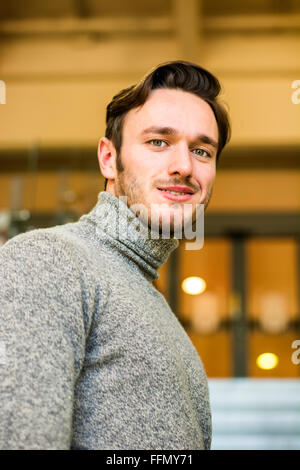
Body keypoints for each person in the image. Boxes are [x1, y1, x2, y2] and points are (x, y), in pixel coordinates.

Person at [0, 60, 230, 450]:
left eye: (202, 151)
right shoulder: (47, 259)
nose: (184, 166)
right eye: (158, 142)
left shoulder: (150, 300)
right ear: (109, 158)